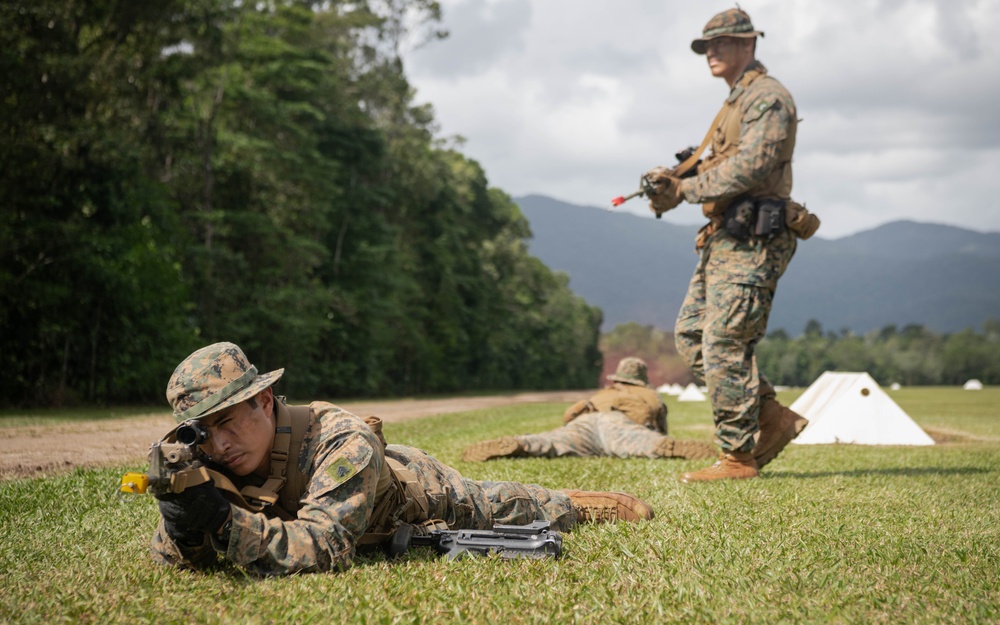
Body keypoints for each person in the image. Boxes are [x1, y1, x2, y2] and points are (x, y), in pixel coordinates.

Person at [149, 342, 654, 575]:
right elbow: (180, 561)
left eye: (227, 422)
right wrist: (183, 519)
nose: (217, 446)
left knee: (497, 505)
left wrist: (223, 519)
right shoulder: (207, 457)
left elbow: (325, 550)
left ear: (264, 401)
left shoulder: (339, 439)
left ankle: (577, 504)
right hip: (345, 512)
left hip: (412, 494)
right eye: (203, 432)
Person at [642, 8, 814, 482]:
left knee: (724, 341)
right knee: (694, 334)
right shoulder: (735, 103)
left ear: (749, 45)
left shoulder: (768, 97)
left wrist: (686, 189)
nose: (712, 52)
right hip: (727, 237)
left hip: (757, 238)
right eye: (706, 46)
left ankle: (738, 457)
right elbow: (723, 167)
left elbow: (753, 168)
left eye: (722, 43)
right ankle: (769, 416)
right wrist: (675, 179)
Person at [461, 357, 716, 462]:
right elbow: (656, 423)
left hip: (585, 422)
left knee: (552, 441)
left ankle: (522, 443)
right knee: (637, 442)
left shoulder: (605, 392)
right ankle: (662, 447)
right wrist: (662, 437)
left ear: (617, 379)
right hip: (617, 422)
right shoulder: (649, 394)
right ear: (641, 379)